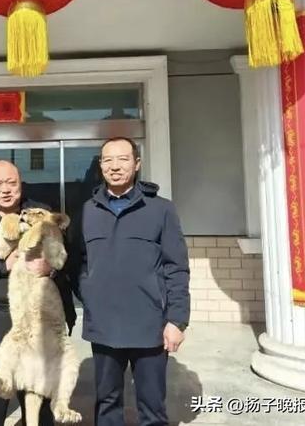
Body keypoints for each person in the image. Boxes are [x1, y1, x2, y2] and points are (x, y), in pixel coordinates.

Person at [72, 137, 190, 426]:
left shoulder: (161, 209)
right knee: (107, 403)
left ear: (137, 164)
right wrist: (91, 294)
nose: (115, 166)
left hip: (149, 325)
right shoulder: (87, 211)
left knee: (152, 406)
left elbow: (176, 268)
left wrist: (176, 320)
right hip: (104, 325)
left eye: (123, 159)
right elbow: (76, 264)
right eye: (108, 160)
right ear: (101, 166)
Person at [0, 160, 76, 426]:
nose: (5, 189)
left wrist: (51, 269)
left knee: (39, 398)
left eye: (11, 183)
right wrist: (1, 265)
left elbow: (69, 260)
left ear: (21, 185)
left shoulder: (44, 215)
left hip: (40, 319)